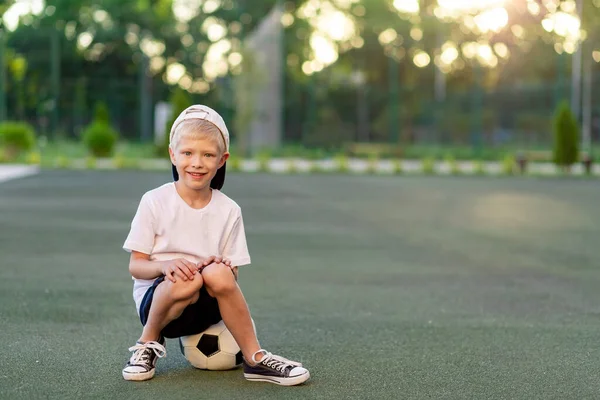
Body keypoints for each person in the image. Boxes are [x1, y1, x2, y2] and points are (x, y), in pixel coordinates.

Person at [121, 105, 310, 386]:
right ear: (173, 155)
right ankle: (147, 343)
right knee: (186, 281)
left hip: (207, 306)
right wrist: (166, 265)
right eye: (187, 153)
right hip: (162, 306)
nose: (196, 163)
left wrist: (221, 268)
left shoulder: (229, 210)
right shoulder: (154, 201)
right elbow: (136, 266)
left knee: (216, 274)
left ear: (222, 160)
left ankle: (255, 359)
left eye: (207, 155)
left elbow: (232, 279)